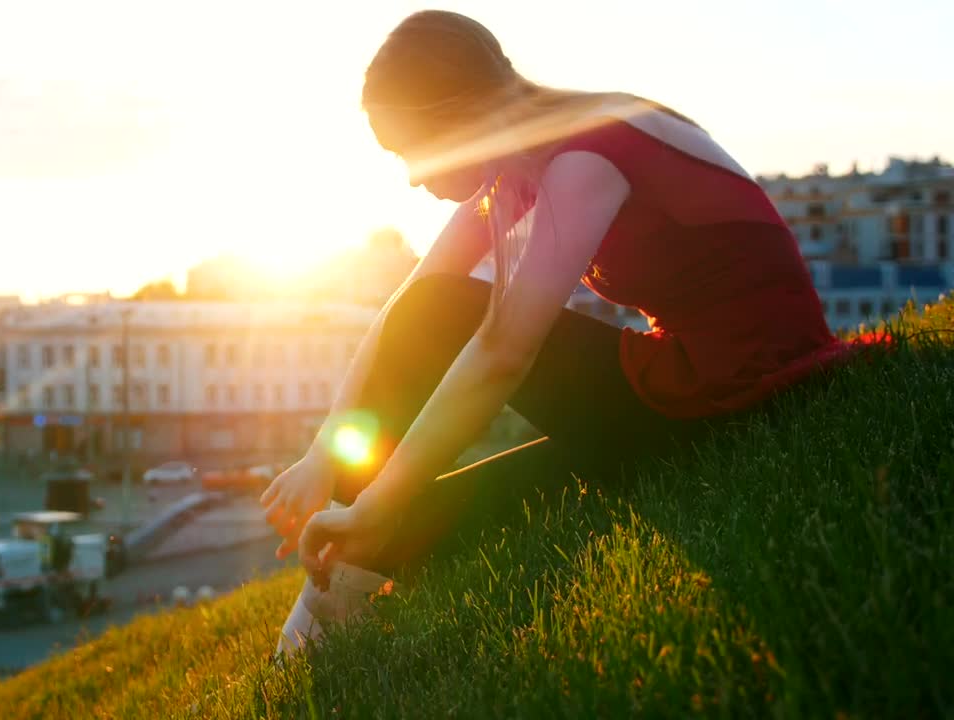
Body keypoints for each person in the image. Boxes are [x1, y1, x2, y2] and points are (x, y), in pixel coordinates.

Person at [260, 10, 856, 651]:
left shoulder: (587, 155)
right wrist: (327, 448)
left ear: (454, 115)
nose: (412, 176)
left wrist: (371, 502)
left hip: (739, 390)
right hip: (692, 387)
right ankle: (357, 565)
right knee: (423, 523)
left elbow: (501, 351)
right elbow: (401, 308)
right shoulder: (521, 166)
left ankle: (329, 603)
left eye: (411, 149)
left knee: (434, 341)